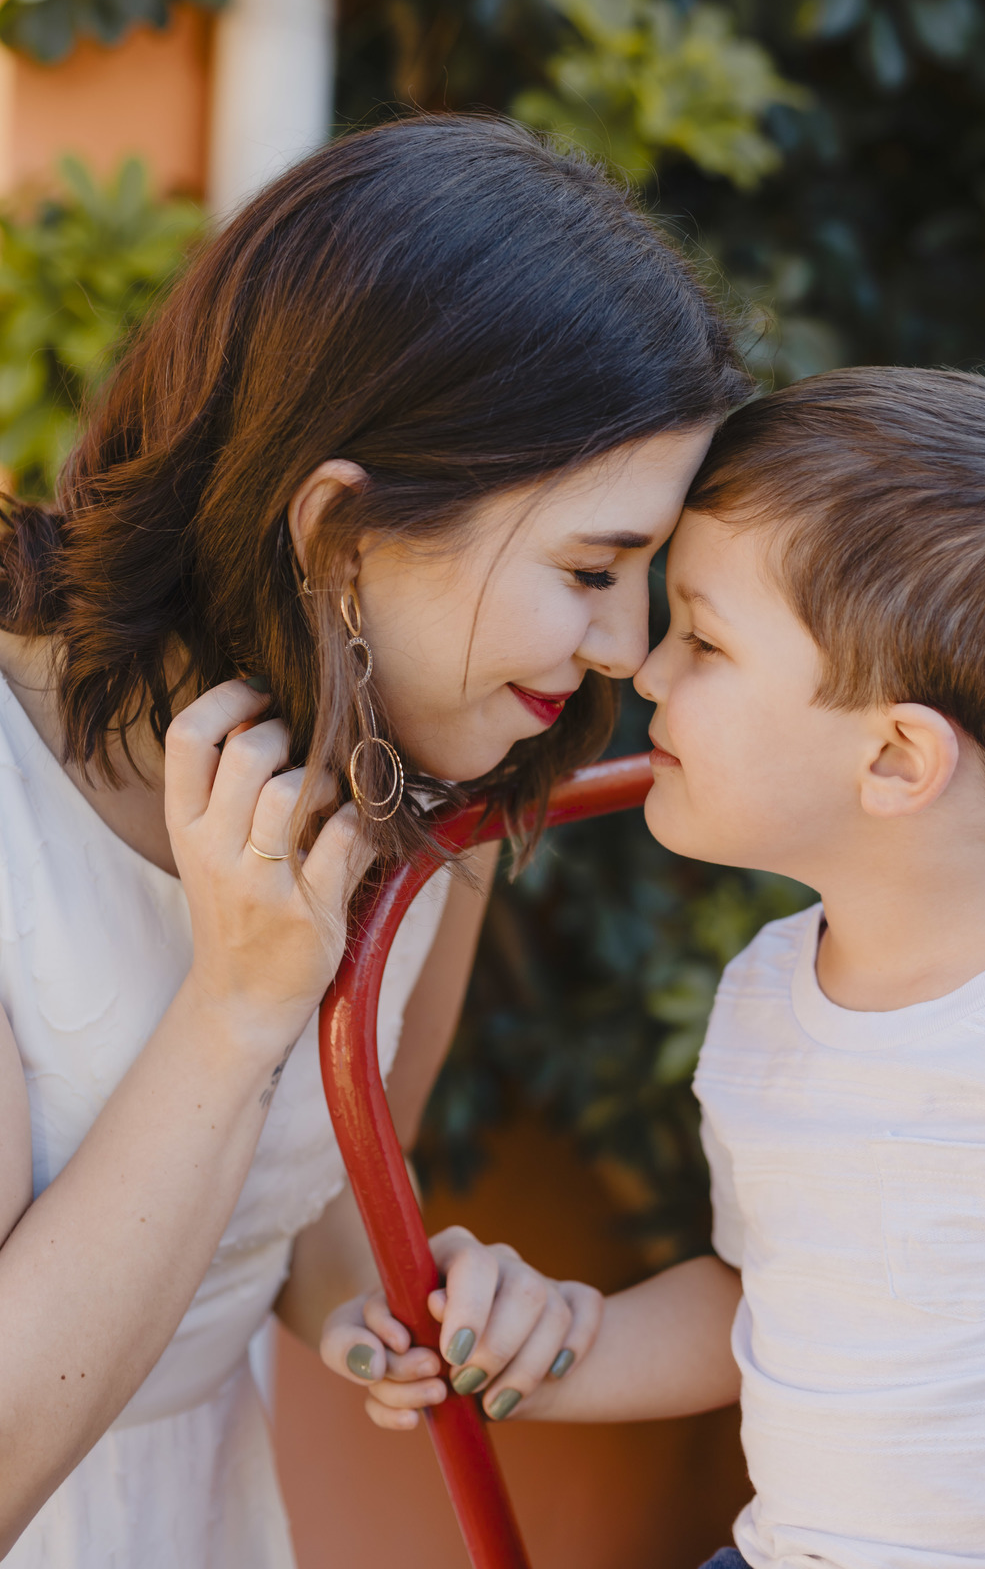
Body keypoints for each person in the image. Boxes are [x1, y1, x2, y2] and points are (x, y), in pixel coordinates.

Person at [0, 114, 750, 1566]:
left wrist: (373, 1310)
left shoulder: (431, 763)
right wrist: (234, 1012)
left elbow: (306, 1196)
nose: (626, 648)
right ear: (340, 534)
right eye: (594, 567)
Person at [355, 366, 985, 1567]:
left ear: (899, 762)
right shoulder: (767, 989)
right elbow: (768, 1299)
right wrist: (554, 1345)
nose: (645, 671)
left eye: (704, 640)